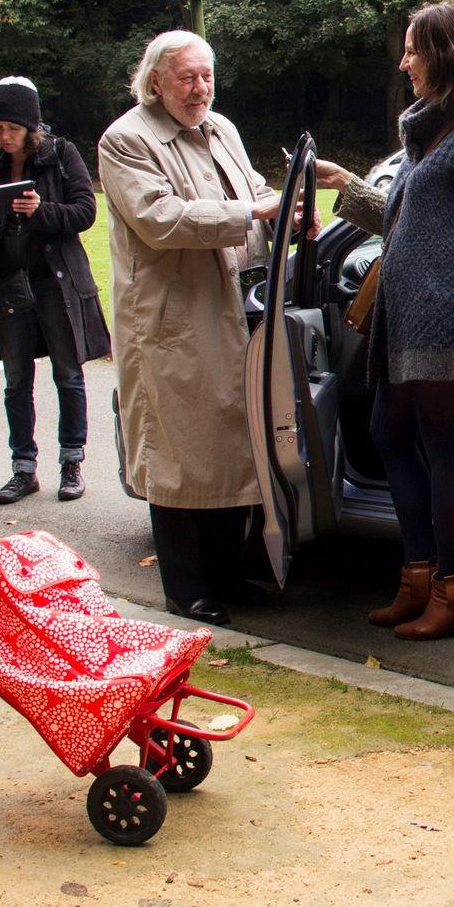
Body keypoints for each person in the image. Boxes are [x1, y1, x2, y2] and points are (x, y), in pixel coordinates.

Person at [311, 1, 454, 640]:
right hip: (402, 322)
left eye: (413, 49)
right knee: (387, 433)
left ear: (445, 52)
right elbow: (408, 222)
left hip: (448, 322)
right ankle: (417, 576)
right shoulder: (430, 131)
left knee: (443, 448)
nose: (404, 61)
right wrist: (347, 186)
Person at [100, 31, 281, 627]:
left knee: (230, 448)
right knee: (178, 455)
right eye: (186, 78)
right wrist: (250, 214)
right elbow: (160, 218)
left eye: (206, 76)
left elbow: (253, 190)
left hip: (226, 311)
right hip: (169, 321)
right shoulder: (126, 139)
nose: (199, 88)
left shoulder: (221, 129)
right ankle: (186, 588)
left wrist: (288, 211)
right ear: (155, 81)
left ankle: (229, 574)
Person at [0, 77, 111, 506]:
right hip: (7, 282)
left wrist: (40, 211)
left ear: (30, 125)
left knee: (67, 371)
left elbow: (85, 211)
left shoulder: (61, 155)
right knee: (15, 380)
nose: (4, 137)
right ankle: (23, 468)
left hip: (54, 280)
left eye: (12, 128)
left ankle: (71, 462)